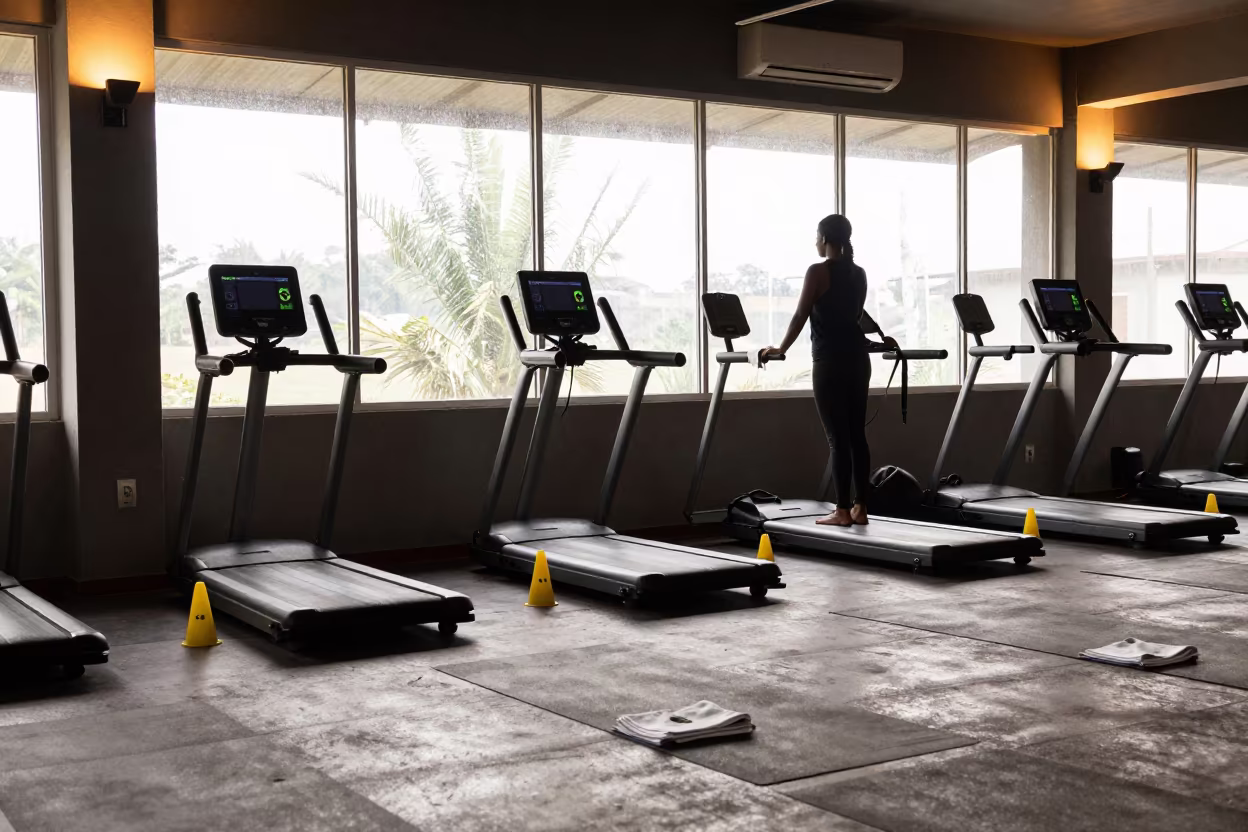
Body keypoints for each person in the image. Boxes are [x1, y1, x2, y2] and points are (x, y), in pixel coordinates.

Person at [763, 214, 894, 526]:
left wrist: (780, 348)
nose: (815, 242)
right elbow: (854, 315)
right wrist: (878, 337)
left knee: (838, 439)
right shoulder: (859, 273)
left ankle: (841, 510)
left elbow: (800, 315)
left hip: (830, 362)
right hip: (857, 361)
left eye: (816, 236)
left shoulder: (817, 271)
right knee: (856, 436)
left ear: (824, 238)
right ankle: (861, 508)